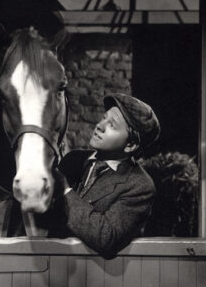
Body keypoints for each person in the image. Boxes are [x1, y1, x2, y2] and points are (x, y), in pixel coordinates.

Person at [54, 93, 160, 259]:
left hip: (90, 275)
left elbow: (106, 237)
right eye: (104, 118)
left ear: (131, 145)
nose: (99, 126)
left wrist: (66, 190)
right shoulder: (73, 159)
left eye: (112, 125)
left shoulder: (139, 185)